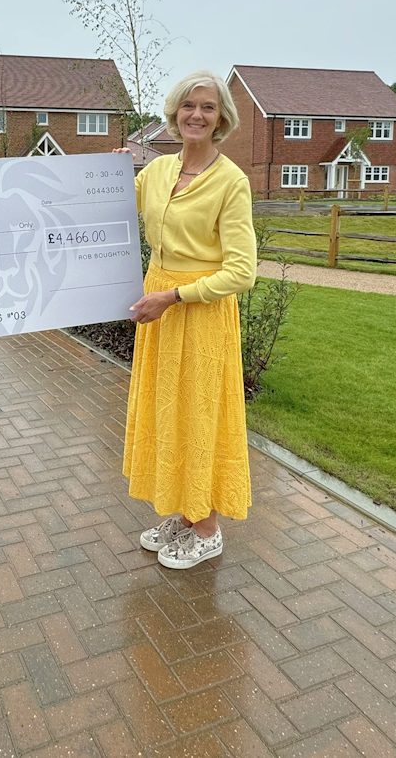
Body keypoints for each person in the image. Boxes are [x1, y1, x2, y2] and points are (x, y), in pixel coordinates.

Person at [121, 72, 257, 569]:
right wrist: (106, 173)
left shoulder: (230, 182)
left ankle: (209, 527)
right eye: (188, 105)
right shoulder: (156, 171)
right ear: (174, 112)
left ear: (222, 118)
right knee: (167, 410)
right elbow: (109, 204)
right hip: (160, 307)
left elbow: (242, 272)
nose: (196, 115)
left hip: (197, 313)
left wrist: (174, 296)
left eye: (208, 107)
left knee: (199, 413)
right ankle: (186, 509)